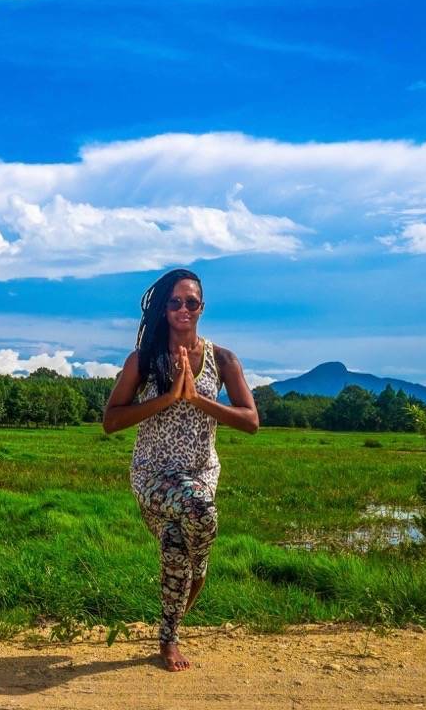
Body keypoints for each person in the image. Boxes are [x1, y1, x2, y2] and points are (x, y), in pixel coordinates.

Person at [103, 268, 259, 672]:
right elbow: (111, 420)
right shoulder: (143, 360)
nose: (183, 308)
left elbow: (250, 421)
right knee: (200, 513)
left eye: (191, 302)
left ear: (202, 307)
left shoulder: (223, 360)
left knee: (181, 550)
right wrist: (169, 397)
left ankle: (167, 637)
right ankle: (174, 630)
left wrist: (198, 400)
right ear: (164, 308)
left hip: (201, 473)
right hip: (153, 475)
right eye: (175, 302)